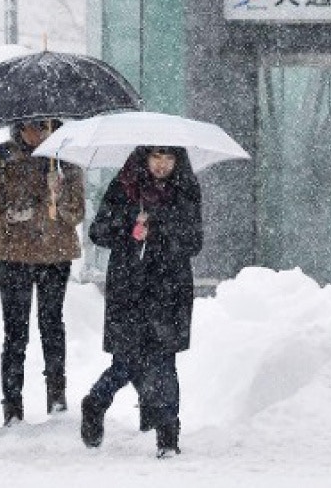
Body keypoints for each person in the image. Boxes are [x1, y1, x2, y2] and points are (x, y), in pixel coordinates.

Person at [80, 145, 202, 458]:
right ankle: (96, 402)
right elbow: (98, 231)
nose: (162, 165)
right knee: (127, 360)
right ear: (144, 158)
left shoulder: (185, 188)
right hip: (129, 286)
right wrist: (129, 227)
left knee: (164, 361)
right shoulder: (124, 185)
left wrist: (159, 226)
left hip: (169, 288)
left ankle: (168, 435)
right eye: (156, 157)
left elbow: (193, 240)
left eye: (169, 158)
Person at [0, 118, 86, 424]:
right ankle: (12, 404)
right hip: (14, 255)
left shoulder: (65, 156)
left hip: (54, 255)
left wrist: (58, 198)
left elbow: (77, 212)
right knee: (15, 332)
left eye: (42, 128)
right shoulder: (4, 155)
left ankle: (56, 398)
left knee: (51, 325)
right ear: (18, 128)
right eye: (29, 127)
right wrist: (14, 212)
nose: (35, 134)